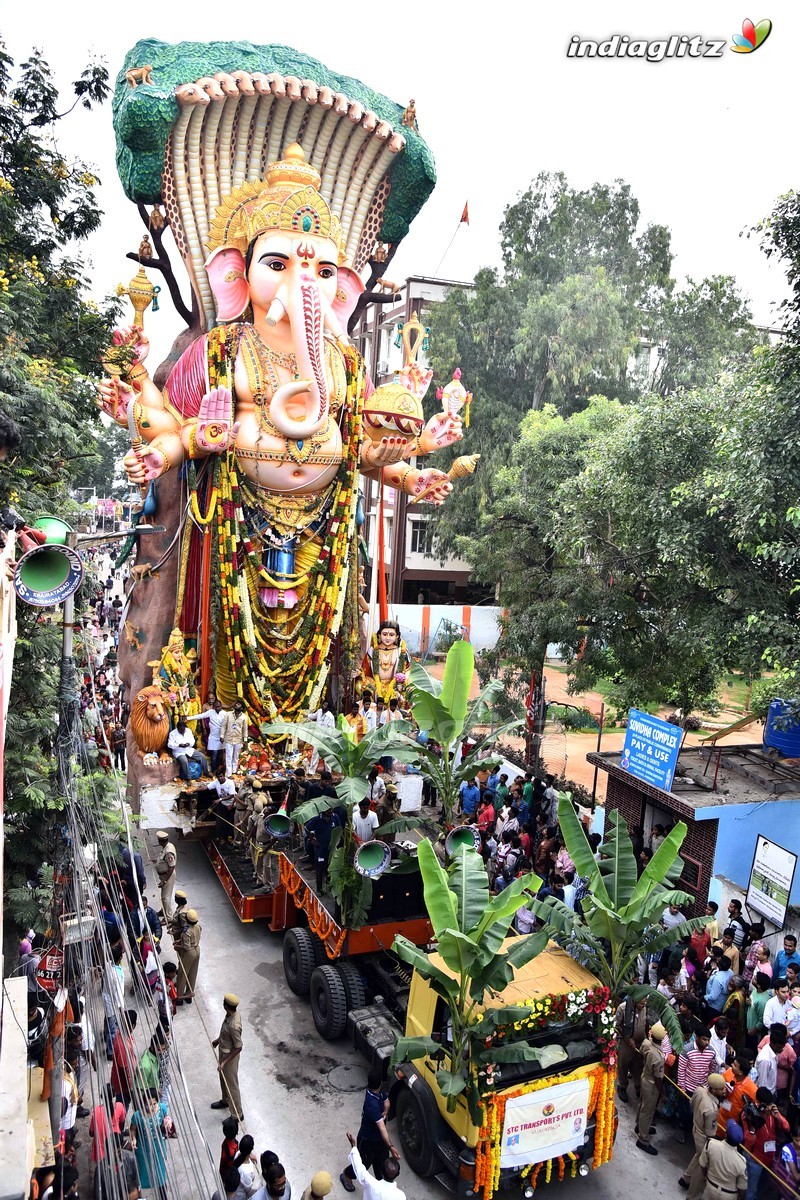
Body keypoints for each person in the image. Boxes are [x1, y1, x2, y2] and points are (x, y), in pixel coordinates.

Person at [340, 1068, 398, 1192]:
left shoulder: (380, 1093)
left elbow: (387, 1102)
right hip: (367, 1140)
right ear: (380, 1083)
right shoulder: (371, 1104)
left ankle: (381, 1187)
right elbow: (382, 1129)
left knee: (382, 1167)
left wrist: (386, 1111)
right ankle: (346, 1175)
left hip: (380, 1141)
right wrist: (391, 1147)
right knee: (363, 1166)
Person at [677, 1073, 726, 1195]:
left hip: (695, 1126)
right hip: (703, 1136)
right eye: (721, 1089)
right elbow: (710, 1132)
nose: (724, 1091)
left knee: (698, 1156)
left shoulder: (699, 1090)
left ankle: (686, 1178)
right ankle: (693, 1190)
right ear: (714, 1090)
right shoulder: (711, 1110)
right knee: (701, 1166)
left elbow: (692, 1103)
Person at [741, 1086, 789, 1200]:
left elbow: (786, 1127)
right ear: (758, 1103)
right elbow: (748, 1141)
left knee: (762, 1185)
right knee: (751, 1189)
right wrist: (753, 1126)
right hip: (754, 1159)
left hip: (769, 1158)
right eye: (766, 1105)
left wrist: (778, 1117)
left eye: (770, 1104)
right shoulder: (748, 1114)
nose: (769, 1108)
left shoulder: (772, 1112)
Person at [676, 1028, 716, 1143]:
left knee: (697, 1113)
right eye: (704, 1039)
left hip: (703, 1089)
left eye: (708, 1040)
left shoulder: (711, 1052)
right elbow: (681, 1071)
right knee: (686, 1111)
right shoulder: (687, 1050)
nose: (706, 1043)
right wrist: (682, 1088)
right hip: (688, 1087)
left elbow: (712, 1070)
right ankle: (682, 1128)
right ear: (697, 1038)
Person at [131, 1089, 170, 1200]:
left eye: (154, 1104)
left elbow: (166, 1117)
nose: (151, 1107)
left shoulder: (162, 1108)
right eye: (148, 1104)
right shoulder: (137, 1115)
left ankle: (163, 1195)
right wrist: (134, 1138)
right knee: (143, 1174)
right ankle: (141, 1197)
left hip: (159, 1148)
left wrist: (168, 1122)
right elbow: (133, 1129)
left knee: (160, 1174)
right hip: (144, 1151)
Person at [90, 1084, 126, 1199]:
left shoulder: (96, 1111)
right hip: (116, 1146)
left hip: (101, 1150)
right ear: (114, 1095)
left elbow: (91, 1133)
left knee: (103, 1176)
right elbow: (122, 1123)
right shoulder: (119, 1107)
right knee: (116, 1172)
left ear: (101, 1096)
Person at [344, 1132, 404, 1200]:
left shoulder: (371, 1184)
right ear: (397, 1174)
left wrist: (353, 1146)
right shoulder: (401, 1196)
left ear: (382, 1171)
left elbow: (359, 1167)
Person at [635, 1022, 666, 1155]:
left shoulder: (646, 1043)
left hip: (644, 1077)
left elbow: (641, 1054)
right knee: (647, 1111)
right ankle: (643, 1139)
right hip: (652, 1083)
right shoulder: (658, 1057)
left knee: (642, 1104)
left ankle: (640, 1126)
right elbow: (658, 1077)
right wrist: (662, 1092)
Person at [211, 993, 243, 1119]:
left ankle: (237, 1114)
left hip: (229, 1057)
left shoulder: (234, 1025)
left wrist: (224, 1062)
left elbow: (238, 1046)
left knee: (232, 1085)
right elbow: (225, 1033)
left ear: (225, 1006)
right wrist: (218, 1041)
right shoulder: (230, 1015)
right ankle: (226, 1100)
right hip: (223, 1051)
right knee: (223, 1078)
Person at [697, 1120, 747, 1200]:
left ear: (726, 1135)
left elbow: (703, 1165)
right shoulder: (741, 1162)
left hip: (711, 1186)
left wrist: (706, 1177)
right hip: (728, 1195)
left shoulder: (711, 1144)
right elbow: (742, 1188)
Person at [615, 995, 650, 1103]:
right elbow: (617, 1025)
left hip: (639, 1042)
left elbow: (645, 1024)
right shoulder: (623, 1008)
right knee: (623, 1065)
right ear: (635, 1002)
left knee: (638, 1065)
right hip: (626, 1044)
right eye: (641, 1004)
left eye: (644, 1004)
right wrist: (628, 1038)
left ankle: (638, 1087)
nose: (643, 1006)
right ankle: (622, 1087)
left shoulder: (644, 1009)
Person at [717, 1053, 757, 1136]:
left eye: (734, 1065)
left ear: (740, 1072)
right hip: (719, 1115)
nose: (731, 1065)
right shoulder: (728, 1073)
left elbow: (755, 1107)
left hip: (734, 1123)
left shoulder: (752, 1088)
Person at [190, 698, 227, 772]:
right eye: (215, 707)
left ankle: (218, 770)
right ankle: (214, 770)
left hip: (221, 737)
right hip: (213, 737)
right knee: (214, 755)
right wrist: (188, 718)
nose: (217, 708)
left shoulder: (224, 713)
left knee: (220, 754)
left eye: (218, 706)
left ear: (221, 706)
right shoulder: (210, 712)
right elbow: (200, 716)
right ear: (213, 706)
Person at [102, 944, 125, 1059]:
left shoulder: (107, 965)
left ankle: (104, 1035)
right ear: (120, 958)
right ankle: (110, 1052)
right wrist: (121, 1009)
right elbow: (119, 994)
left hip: (106, 997)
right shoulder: (118, 975)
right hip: (112, 1003)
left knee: (107, 1020)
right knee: (113, 1029)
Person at [110, 1010, 137, 1107]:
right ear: (133, 1025)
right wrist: (129, 1089)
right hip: (122, 1085)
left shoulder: (120, 1033)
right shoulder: (124, 1046)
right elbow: (124, 1071)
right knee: (122, 1108)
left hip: (119, 1079)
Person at [174, 907, 201, 1004]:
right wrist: (180, 941)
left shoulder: (186, 930)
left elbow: (186, 947)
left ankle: (180, 997)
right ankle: (189, 995)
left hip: (189, 952)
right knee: (193, 973)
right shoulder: (198, 926)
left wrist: (178, 947)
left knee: (182, 973)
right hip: (197, 949)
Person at [154, 831, 178, 922]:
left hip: (168, 876)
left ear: (160, 841)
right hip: (164, 875)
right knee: (163, 895)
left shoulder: (168, 851)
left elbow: (171, 867)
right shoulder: (167, 846)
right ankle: (163, 910)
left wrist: (165, 881)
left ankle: (168, 917)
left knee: (166, 897)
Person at [220, 700, 248, 776]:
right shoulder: (228, 714)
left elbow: (245, 729)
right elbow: (223, 726)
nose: (236, 705)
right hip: (228, 738)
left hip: (238, 740)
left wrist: (245, 740)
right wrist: (222, 736)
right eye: (236, 703)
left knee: (235, 756)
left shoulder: (244, 717)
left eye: (239, 704)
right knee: (228, 756)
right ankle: (228, 774)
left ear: (242, 708)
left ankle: (234, 771)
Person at [747, 972, 773, 1050]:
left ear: (759, 985)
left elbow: (762, 1021)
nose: (753, 978)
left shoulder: (762, 1001)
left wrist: (752, 1031)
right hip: (749, 1028)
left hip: (755, 1034)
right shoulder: (756, 990)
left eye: (755, 979)